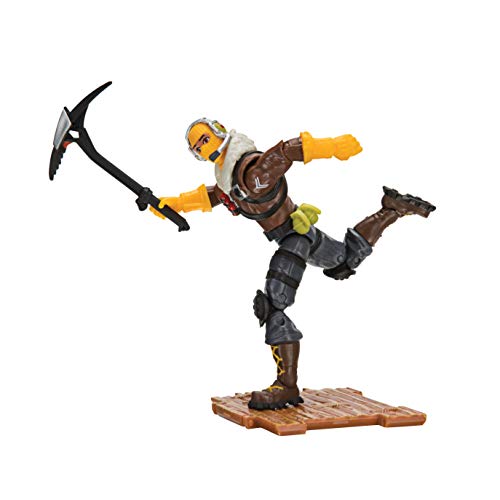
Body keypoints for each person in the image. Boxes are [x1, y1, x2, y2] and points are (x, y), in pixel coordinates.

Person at [151, 118, 436, 410]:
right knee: (343, 261)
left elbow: (285, 152)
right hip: (301, 232)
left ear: (219, 132)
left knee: (274, 304)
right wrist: (170, 204)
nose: (203, 147)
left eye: (204, 139)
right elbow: (212, 197)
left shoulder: (251, 171)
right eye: (197, 146)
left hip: (293, 238)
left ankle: (286, 386)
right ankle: (392, 209)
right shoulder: (229, 178)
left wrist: (332, 146)